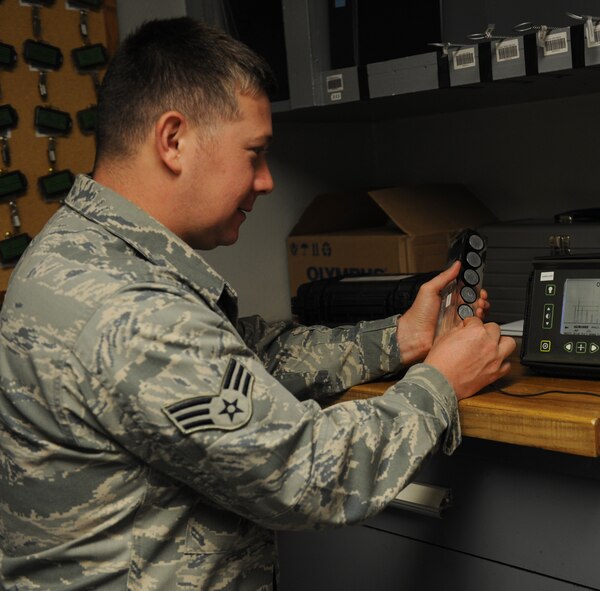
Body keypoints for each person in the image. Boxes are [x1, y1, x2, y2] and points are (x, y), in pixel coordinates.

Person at [0, 17, 516, 591]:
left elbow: (243, 357)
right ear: (173, 140)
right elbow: (307, 474)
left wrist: (401, 337)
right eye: (255, 153)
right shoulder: (131, 308)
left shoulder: (82, 252)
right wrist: (442, 381)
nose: (267, 181)